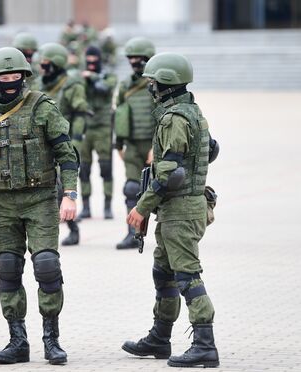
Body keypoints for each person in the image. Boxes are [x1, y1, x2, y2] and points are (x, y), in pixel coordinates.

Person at [0, 46, 78, 365]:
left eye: (15, 76)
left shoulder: (43, 107)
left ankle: (52, 339)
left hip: (39, 199)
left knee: (47, 266)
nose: (10, 82)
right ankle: (17, 340)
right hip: (1, 204)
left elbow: (67, 154)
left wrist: (70, 194)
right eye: (4, 77)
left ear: (24, 77)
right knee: (9, 269)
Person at [122, 52, 220, 368]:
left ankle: (205, 344)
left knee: (187, 276)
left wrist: (141, 207)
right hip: (176, 209)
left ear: (164, 84)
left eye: (152, 82)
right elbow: (210, 150)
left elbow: (170, 173)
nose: (150, 87)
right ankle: (160, 337)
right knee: (163, 273)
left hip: (181, 211)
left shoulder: (175, 118)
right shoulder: (192, 112)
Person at [39, 42, 90, 246]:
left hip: (65, 142)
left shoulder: (71, 84)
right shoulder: (42, 85)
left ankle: (73, 228)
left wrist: (75, 139)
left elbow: (80, 113)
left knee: (62, 186)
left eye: (46, 64)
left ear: (56, 64)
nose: (42, 68)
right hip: (43, 142)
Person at [115, 37, 156, 250]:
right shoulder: (125, 85)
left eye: (138, 58)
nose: (134, 62)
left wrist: (156, 147)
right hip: (131, 145)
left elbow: (165, 116)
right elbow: (120, 113)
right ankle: (133, 233)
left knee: (159, 191)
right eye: (131, 58)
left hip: (153, 145)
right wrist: (118, 144)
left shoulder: (156, 84)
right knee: (131, 188)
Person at [78, 45, 117, 219]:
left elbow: (104, 88)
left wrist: (91, 77)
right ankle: (86, 206)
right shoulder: (81, 77)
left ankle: (107, 206)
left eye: (95, 60)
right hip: (85, 128)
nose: (91, 63)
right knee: (84, 169)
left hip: (103, 128)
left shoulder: (108, 76)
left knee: (106, 168)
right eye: (89, 61)